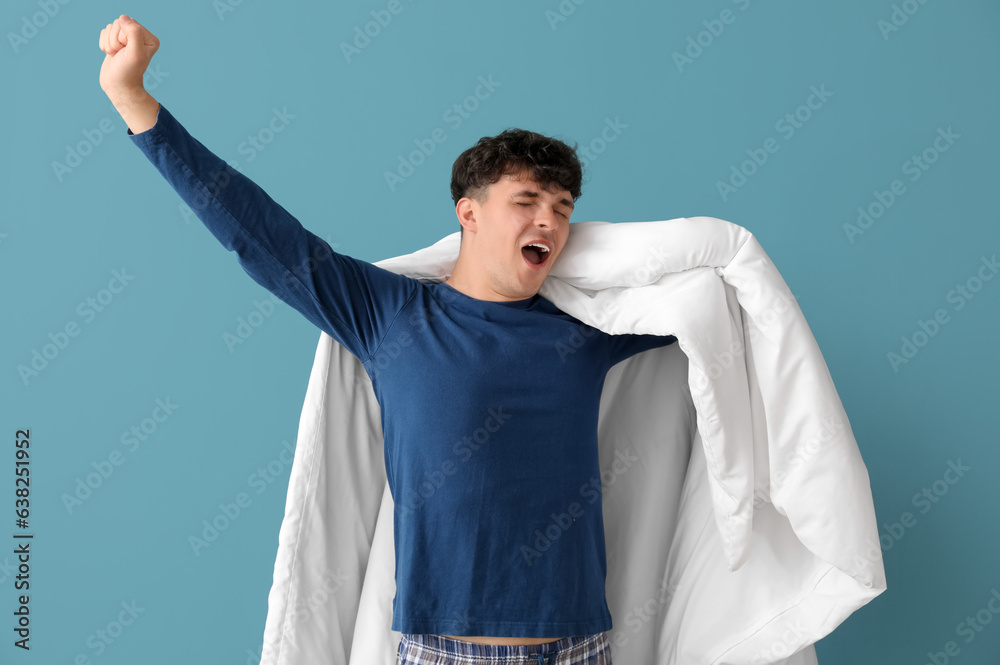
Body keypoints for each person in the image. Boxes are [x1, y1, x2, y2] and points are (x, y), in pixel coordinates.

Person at [99, 14, 677, 665]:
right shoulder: (390, 315)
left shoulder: (590, 330)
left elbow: (715, 315)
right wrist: (136, 103)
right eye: (529, 199)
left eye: (564, 207)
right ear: (470, 212)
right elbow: (255, 232)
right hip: (439, 652)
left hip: (580, 649)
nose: (550, 218)